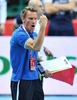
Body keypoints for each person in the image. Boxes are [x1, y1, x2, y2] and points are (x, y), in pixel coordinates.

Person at [10, 6, 51, 100]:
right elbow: (35, 47)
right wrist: (43, 27)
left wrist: (43, 71)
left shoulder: (34, 35)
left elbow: (34, 57)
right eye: (30, 18)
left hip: (35, 78)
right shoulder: (19, 34)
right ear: (23, 19)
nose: (33, 21)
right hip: (22, 80)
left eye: (35, 19)